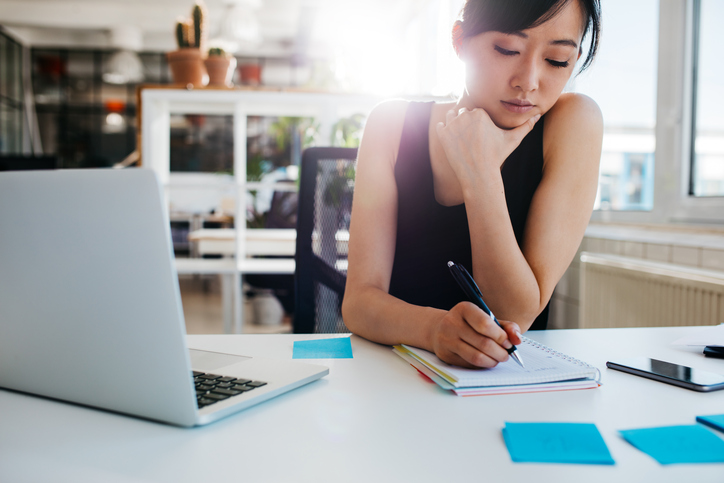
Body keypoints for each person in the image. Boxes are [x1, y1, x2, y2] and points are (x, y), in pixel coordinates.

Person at [341, 0, 603, 368]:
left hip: (507, 386)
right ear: (460, 41)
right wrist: (435, 329)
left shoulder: (572, 123)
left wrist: (479, 172)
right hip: (391, 374)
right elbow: (359, 302)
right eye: (507, 49)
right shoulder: (391, 125)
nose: (528, 82)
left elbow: (513, 315)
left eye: (557, 60)